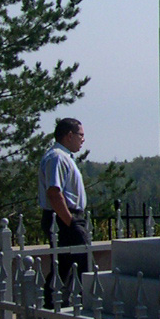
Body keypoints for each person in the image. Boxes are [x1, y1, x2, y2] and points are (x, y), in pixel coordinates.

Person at [39, 117, 89, 307]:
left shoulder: (63, 156)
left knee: (68, 263)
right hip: (63, 217)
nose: (83, 139)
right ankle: (57, 304)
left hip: (67, 217)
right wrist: (70, 222)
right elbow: (54, 192)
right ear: (69, 135)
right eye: (80, 135)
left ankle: (64, 303)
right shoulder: (57, 157)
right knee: (71, 264)